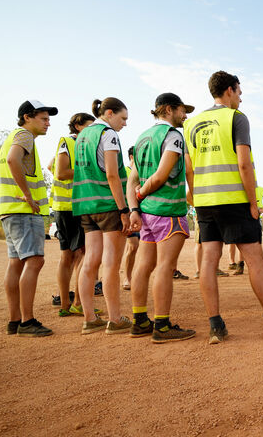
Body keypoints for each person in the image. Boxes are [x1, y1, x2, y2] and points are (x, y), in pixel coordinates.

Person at [184, 70, 263, 343]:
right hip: (234, 200)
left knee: (208, 261)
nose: (241, 96)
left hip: (205, 202)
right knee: (256, 262)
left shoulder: (191, 124)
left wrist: (195, 196)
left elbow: (189, 168)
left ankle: (216, 326)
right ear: (228, 90)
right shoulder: (236, 118)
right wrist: (253, 202)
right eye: (239, 91)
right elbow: (244, 163)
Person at [125, 93, 197, 343]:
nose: (185, 115)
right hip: (168, 212)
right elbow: (160, 176)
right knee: (166, 268)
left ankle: (139, 320)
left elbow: (132, 179)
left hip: (146, 214)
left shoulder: (143, 137)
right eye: (182, 110)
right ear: (168, 109)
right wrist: (142, 193)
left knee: (144, 266)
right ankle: (163, 326)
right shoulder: (173, 136)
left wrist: (135, 208)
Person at [0, 100, 56, 337]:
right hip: (23, 211)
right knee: (34, 261)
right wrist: (26, 196)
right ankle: (27, 322)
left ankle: (15, 320)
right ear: (27, 117)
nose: (48, 123)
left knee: (16, 263)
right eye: (43, 119)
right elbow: (14, 161)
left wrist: (6, 197)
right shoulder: (24, 136)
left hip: (8, 210)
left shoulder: (10, 138)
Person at [73, 97, 132, 335]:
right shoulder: (108, 134)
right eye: (123, 118)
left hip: (85, 205)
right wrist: (124, 209)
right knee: (110, 263)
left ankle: (89, 318)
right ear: (109, 113)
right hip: (108, 204)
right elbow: (111, 174)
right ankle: (115, 319)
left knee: (90, 262)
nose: (124, 124)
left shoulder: (82, 136)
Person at [50, 112, 96, 317]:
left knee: (68, 255)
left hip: (66, 207)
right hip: (74, 206)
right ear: (78, 126)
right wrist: (90, 172)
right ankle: (77, 302)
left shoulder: (70, 143)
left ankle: (65, 305)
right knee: (81, 255)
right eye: (89, 126)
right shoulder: (71, 142)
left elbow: (52, 166)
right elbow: (60, 172)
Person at [121, 146, 140, 290]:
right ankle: (126, 278)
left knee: (134, 247)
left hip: (141, 214)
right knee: (132, 246)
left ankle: (131, 277)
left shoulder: (142, 172)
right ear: (132, 157)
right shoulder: (126, 172)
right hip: (127, 215)